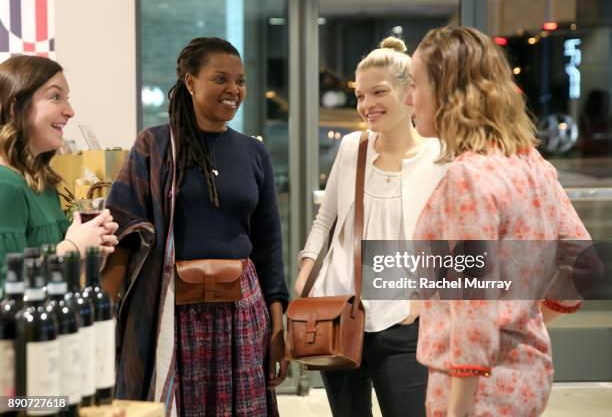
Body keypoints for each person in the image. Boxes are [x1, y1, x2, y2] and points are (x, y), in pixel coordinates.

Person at [406, 26, 591, 416]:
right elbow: (585, 264)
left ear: (447, 93)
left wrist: (457, 409)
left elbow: (472, 303)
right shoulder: (531, 163)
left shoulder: (467, 177)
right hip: (528, 376)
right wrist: (523, 320)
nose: (409, 98)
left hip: (474, 391)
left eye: (415, 85)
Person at [103, 37, 289, 416]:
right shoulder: (154, 146)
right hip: (173, 311)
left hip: (242, 310)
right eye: (220, 79)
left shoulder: (254, 152)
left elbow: (268, 243)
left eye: (240, 80)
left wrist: (277, 326)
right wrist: (105, 315)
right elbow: (122, 228)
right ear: (190, 82)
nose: (233, 90)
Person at [295, 37, 448, 417]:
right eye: (360, 95)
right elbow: (325, 218)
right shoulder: (352, 148)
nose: (366, 105)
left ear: (409, 91)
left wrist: (424, 296)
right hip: (339, 310)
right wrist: (305, 276)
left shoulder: (439, 156)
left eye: (378, 92)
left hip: (403, 317)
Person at [0, 55, 118, 291]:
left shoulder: (44, 187)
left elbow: (53, 281)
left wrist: (88, 254)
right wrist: (73, 247)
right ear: (16, 108)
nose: (70, 111)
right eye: (55, 97)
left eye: (67, 98)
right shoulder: (6, 186)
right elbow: (6, 288)